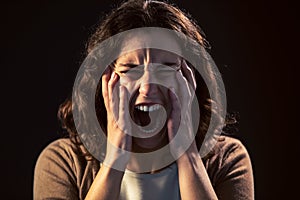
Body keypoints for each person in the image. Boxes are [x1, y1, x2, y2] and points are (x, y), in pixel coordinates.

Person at [33, 0, 254, 199]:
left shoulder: (228, 158)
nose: (148, 88)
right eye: (130, 69)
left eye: (166, 68)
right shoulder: (62, 161)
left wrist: (187, 154)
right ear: (103, 81)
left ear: (190, 80)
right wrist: (115, 158)